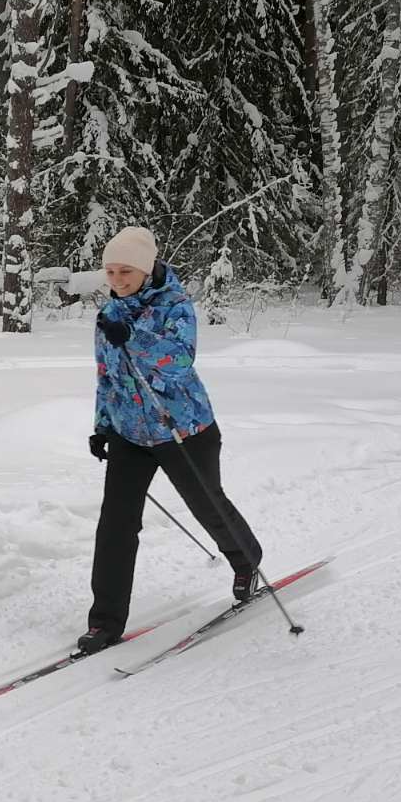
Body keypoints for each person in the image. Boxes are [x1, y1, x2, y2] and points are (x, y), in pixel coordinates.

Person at [79, 226, 263, 654]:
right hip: (130, 432)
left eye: (126, 271)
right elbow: (106, 374)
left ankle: (246, 560)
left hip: (183, 428)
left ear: (146, 269)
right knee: (116, 525)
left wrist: (136, 337)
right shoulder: (108, 314)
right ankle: (104, 622)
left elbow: (179, 362)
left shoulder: (175, 305)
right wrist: (102, 425)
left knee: (208, 505)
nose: (117, 280)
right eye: (110, 271)